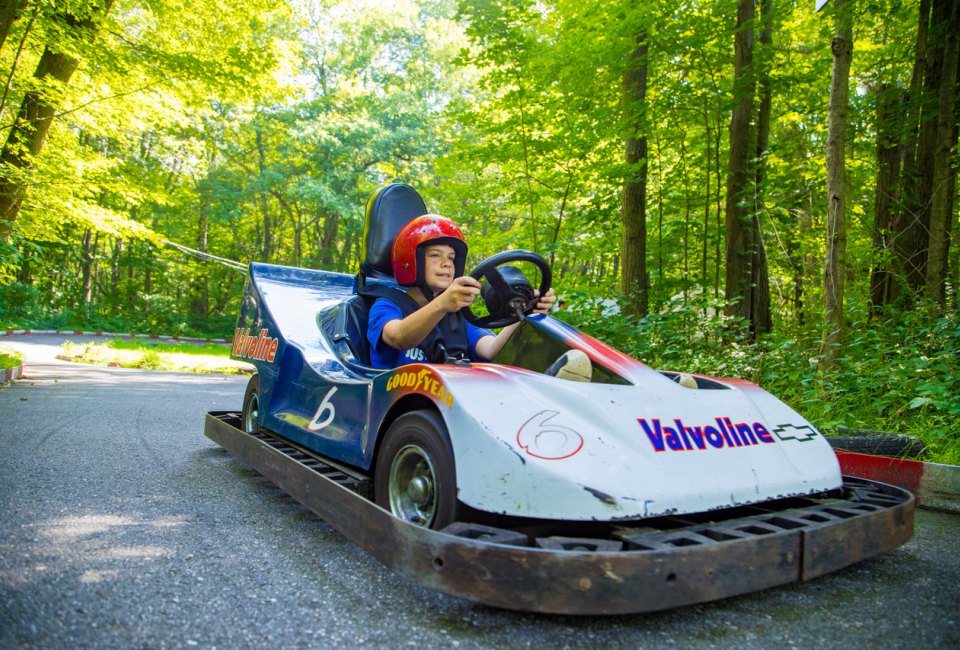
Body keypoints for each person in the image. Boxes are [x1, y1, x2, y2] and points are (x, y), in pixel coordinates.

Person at [365, 214, 589, 381]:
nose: (446, 263)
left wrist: (527, 311)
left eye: (452, 258)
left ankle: (551, 384)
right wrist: (441, 305)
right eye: (435, 256)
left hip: (454, 400)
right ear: (412, 261)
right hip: (400, 400)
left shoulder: (457, 316)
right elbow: (400, 337)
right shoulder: (386, 306)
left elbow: (491, 350)